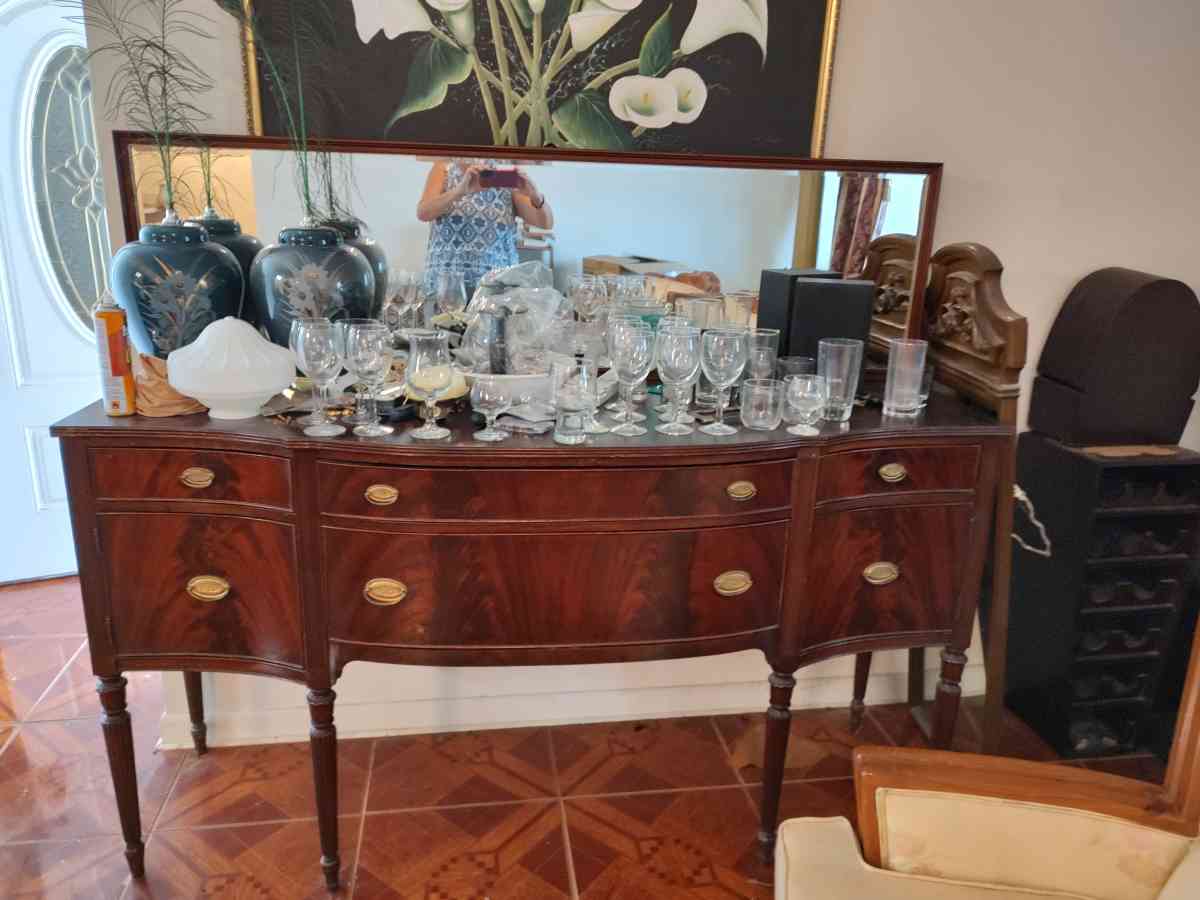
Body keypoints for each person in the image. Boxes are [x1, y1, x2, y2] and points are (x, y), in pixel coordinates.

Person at [416, 158, 554, 299]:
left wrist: (535, 196)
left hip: (495, 290)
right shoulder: (445, 166)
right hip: (446, 285)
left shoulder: (503, 171)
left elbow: (545, 223)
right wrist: (459, 191)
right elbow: (423, 212)